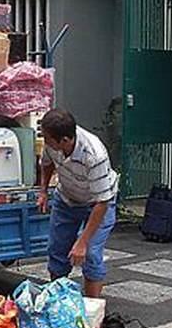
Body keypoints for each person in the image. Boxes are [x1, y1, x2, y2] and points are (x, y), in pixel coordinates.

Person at [36, 109, 118, 298]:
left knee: (90, 253)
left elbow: (102, 203)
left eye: (48, 139)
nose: (45, 142)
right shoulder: (52, 144)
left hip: (96, 204)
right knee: (57, 251)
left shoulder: (94, 155)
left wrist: (82, 242)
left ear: (65, 140)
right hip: (66, 199)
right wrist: (43, 191)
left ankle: (92, 312)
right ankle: (58, 304)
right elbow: (46, 164)